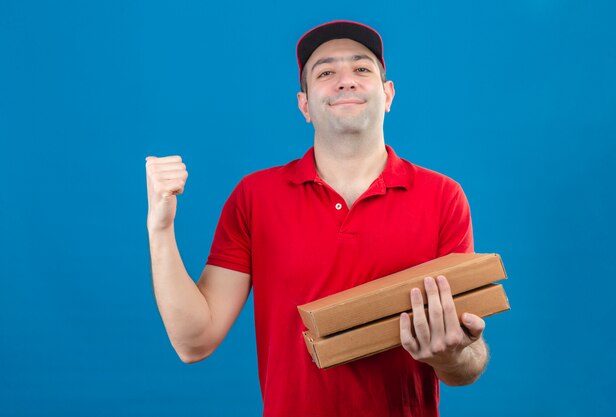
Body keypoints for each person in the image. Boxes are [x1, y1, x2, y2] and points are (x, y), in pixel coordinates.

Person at [145, 20, 489, 417]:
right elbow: (194, 341)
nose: (346, 81)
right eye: (326, 72)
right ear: (304, 105)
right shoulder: (255, 197)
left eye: (362, 69)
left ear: (388, 94)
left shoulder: (443, 197)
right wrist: (160, 227)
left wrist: (448, 355)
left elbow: (468, 365)